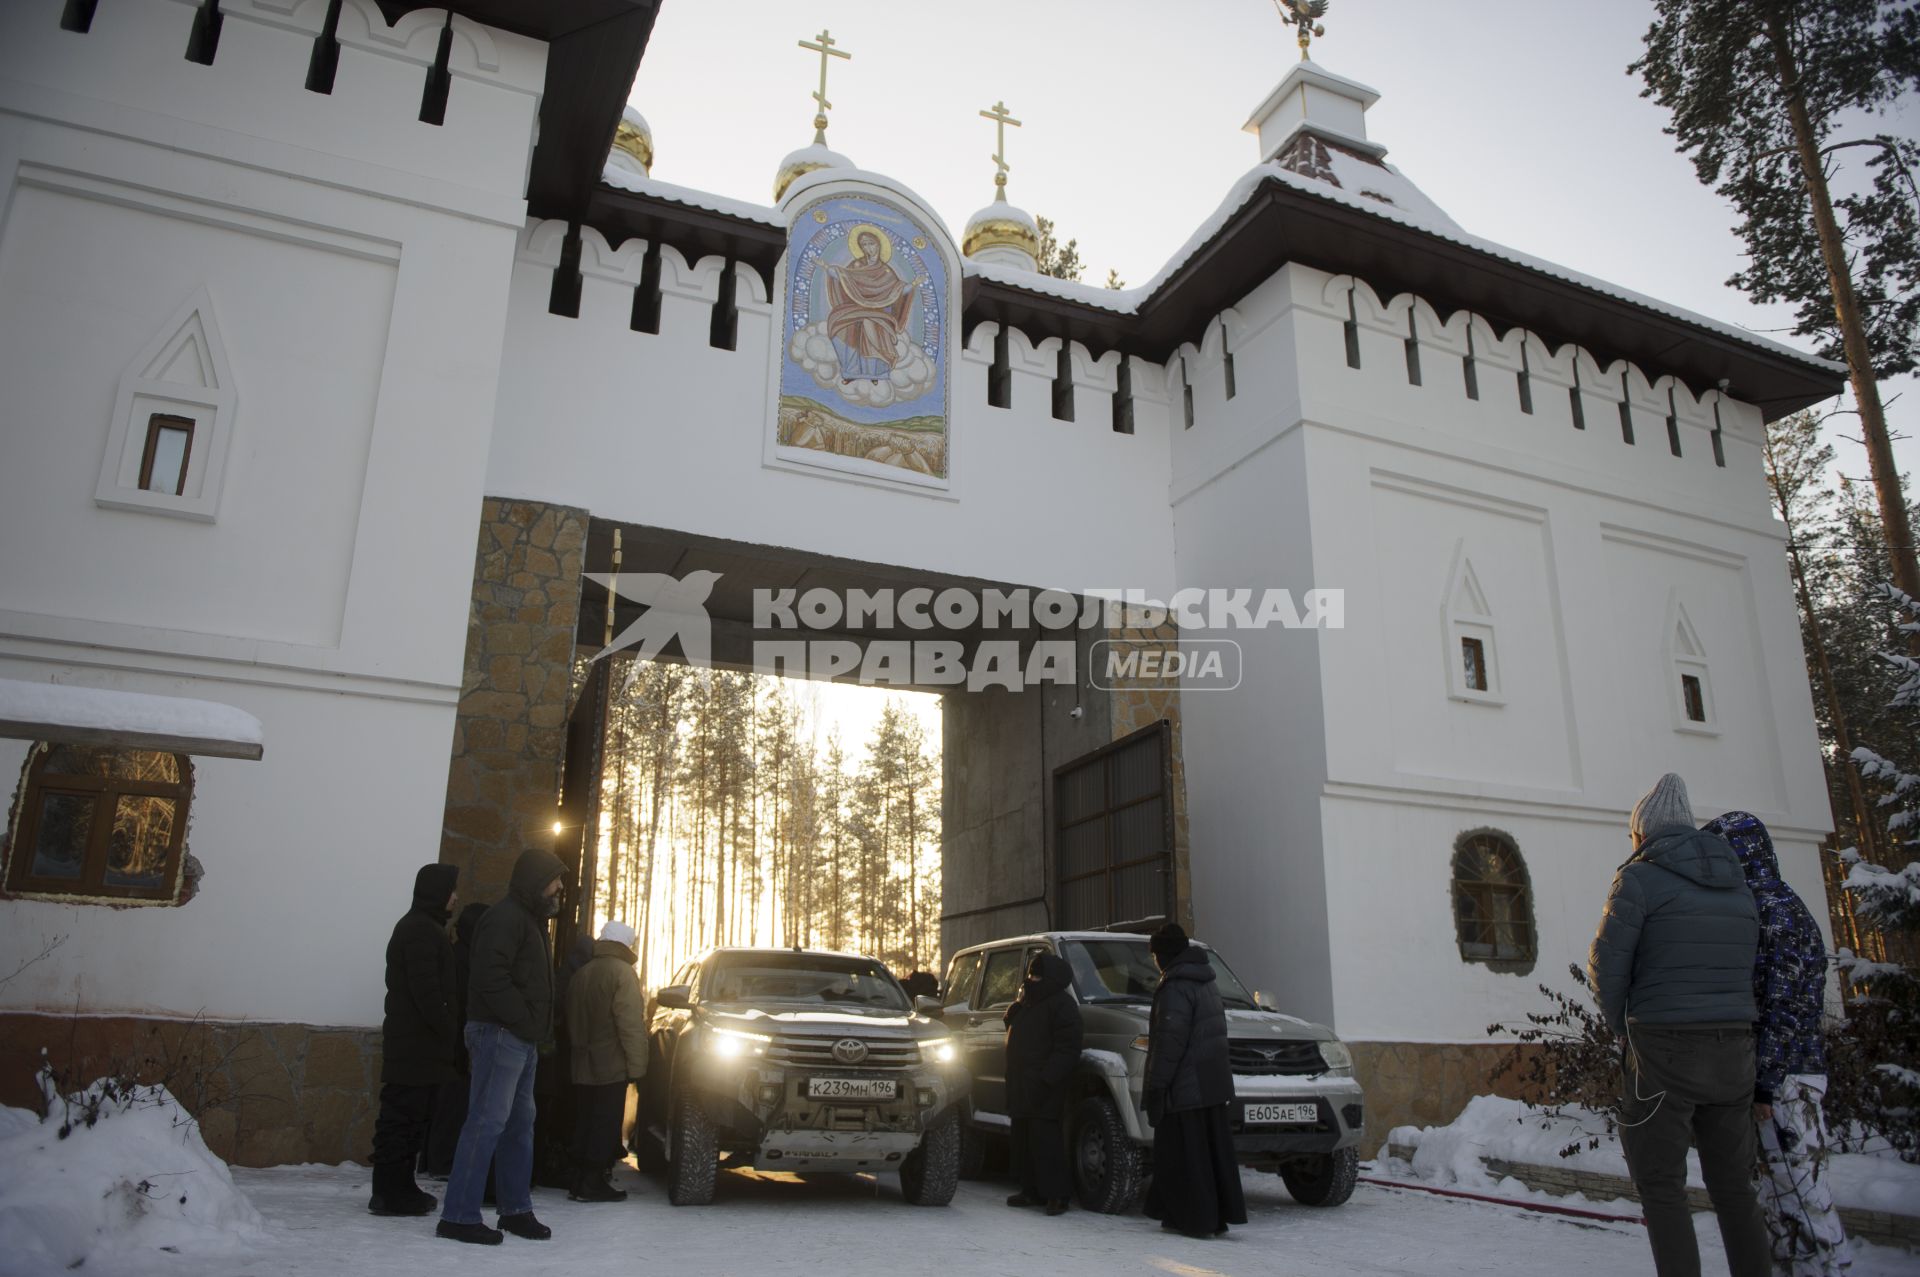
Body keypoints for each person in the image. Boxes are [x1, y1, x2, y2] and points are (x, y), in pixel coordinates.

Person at [1588, 773, 1770, 1277]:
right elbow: (1750, 965)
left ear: (1642, 834)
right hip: (1735, 1050)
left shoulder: (1639, 878)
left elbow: (1607, 964)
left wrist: (1622, 1027)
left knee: (1661, 1185)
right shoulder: (1739, 885)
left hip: (1664, 1049)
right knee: (1735, 1188)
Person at [1705, 811, 1854, 1276]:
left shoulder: (1774, 912)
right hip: (1782, 1074)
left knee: (1803, 1198)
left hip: (1786, 1080)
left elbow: (1783, 1007)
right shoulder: (1768, 903)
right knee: (1782, 1200)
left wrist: (1765, 1085)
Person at [437, 848, 566, 1246]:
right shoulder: (505, 918)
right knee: (486, 1123)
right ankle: (458, 1216)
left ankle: (514, 1210)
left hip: (519, 1038)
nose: (560, 887)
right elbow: (491, 978)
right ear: (534, 882)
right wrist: (523, 1021)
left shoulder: (531, 921)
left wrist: (531, 1028)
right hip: (498, 1034)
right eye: (554, 880)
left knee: (518, 1126)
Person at [1142, 923, 1246, 1239]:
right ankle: (1212, 1218)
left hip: (1185, 1087)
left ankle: (1195, 1220)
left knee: (1183, 1157)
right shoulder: (1205, 981)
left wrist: (1157, 1086)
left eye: (1155, 955)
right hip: (1210, 1085)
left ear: (1165, 955)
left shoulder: (1176, 986)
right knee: (1209, 1156)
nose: (1155, 962)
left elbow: (1169, 1043)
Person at [369, 863, 460, 1216]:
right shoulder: (420, 931)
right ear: (437, 892)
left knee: (411, 1121)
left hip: (417, 1046)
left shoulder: (424, 928)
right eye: (451, 890)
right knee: (400, 1121)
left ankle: (401, 1186)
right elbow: (427, 992)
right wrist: (447, 1026)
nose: (455, 897)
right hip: (414, 1046)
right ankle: (389, 1192)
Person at [565, 919, 649, 1204]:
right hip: (610, 1064)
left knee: (584, 1120)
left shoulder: (583, 972)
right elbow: (630, 1024)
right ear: (626, 944)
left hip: (581, 1061)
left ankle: (577, 1180)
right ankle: (592, 1182)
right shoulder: (622, 973)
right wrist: (638, 1066)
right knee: (604, 1122)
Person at [1002, 952, 1083, 1215]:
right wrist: (1015, 1009)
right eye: (1030, 974)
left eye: (1036, 975)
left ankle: (1057, 1195)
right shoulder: (1028, 1002)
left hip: (1045, 1085)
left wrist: (1048, 1078)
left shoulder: (1062, 1005)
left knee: (1046, 1141)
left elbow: (1068, 1048)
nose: (1031, 979)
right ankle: (1031, 1190)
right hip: (1022, 1082)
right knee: (1024, 1139)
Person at [424, 902, 489, 1180]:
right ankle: (443, 1162)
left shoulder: (459, 954)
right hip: (459, 1041)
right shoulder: (466, 960)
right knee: (454, 1103)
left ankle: (433, 1159)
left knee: (446, 1102)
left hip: (453, 1040)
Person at [823, 227, 918, 381]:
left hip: (880, 311)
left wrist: (910, 287)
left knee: (870, 323)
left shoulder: (887, 271)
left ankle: (875, 372)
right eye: (864, 245)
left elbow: (897, 290)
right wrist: (833, 271)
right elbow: (846, 279)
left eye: (871, 244)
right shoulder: (856, 265)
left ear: (879, 245)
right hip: (855, 306)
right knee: (837, 320)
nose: (868, 248)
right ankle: (851, 371)